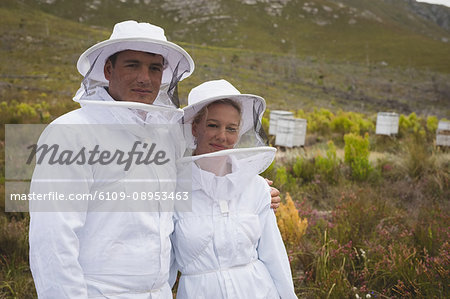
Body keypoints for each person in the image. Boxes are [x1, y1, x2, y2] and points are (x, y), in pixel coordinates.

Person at [28, 21, 280, 298]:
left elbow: (197, 174)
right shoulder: (71, 133)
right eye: (132, 65)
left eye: (154, 68)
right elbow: (51, 239)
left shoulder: (165, 135)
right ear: (108, 70)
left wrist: (246, 185)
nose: (144, 78)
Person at [171, 79, 297, 298]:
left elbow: (274, 256)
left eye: (231, 128)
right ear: (194, 127)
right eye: (213, 125)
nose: (222, 136)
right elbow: (162, 267)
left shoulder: (256, 187)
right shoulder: (173, 190)